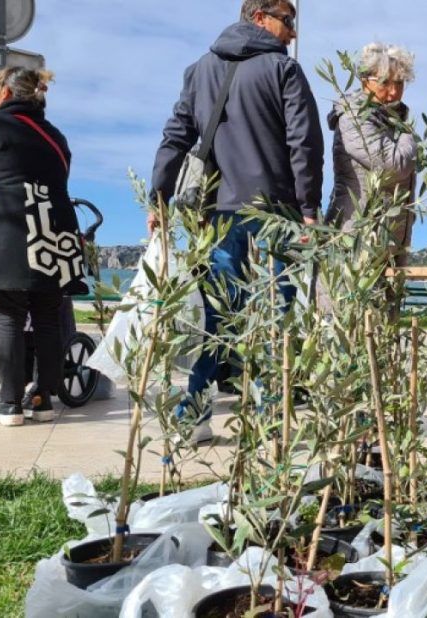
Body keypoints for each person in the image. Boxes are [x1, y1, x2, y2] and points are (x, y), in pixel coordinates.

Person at [150, 0, 324, 442]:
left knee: (219, 316)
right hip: (273, 213)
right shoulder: (284, 71)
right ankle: (268, 422)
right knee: (273, 315)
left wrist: (159, 197)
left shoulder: (200, 69)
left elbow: (175, 135)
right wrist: (308, 207)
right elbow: (304, 142)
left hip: (218, 215)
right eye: (288, 21)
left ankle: (194, 419)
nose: (293, 32)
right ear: (259, 17)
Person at [0, 67, 88, 426]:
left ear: (3, 92)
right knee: (47, 316)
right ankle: (42, 399)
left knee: (10, 316)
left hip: (15, 230)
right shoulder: (56, 137)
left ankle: (9, 404)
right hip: (56, 231)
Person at [326, 42, 417, 269]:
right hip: (356, 241)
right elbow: (395, 165)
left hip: (388, 245)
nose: (394, 91)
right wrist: (408, 134)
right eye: (385, 82)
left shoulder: (390, 120)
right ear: (365, 80)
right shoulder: (354, 117)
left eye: (400, 83)